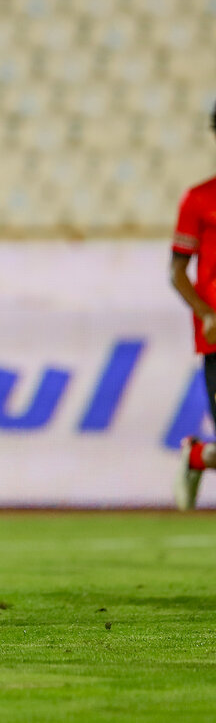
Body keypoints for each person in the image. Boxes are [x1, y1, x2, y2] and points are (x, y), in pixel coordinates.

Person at [171, 100, 216, 510]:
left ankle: (201, 455)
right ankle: (199, 456)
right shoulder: (200, 200)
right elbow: (177, 272)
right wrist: (206, 314)